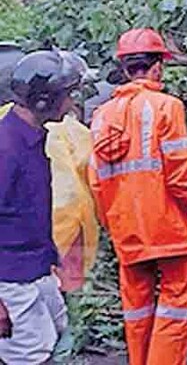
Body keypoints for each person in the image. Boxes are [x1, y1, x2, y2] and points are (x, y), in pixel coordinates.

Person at [88, 29, 187, 365]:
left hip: (127, 232)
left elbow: (96, 182)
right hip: (169, 229)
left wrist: (112, 227)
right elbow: (180, 175)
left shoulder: (100, 116)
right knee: (174, 308)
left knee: (137, 311)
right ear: (157, 67)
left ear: (124, 68)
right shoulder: (166, 107)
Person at [0, 51, 84, 363]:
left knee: (58, 331)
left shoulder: (33, 138)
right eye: (68, 96)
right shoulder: (6, 147)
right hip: (10, 277)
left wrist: (50, 255)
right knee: (29, 354)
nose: (73, 103)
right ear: (44, 101)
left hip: (34, 267)